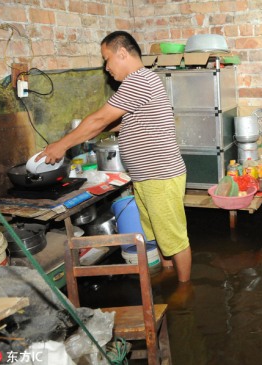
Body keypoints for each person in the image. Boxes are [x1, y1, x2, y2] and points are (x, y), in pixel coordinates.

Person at [38, 31, 192, 283]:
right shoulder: (141, 82)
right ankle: (168, 275)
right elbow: (122, 122)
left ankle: (185, 292)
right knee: (160, 237)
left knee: (174, 239)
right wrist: (92, 129)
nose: (106, 67)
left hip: (159, 177)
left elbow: (99, 119)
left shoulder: (138, 81)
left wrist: (61, 146)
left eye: (107, 59)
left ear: (122, 53)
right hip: (149, 178)